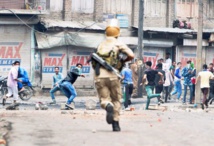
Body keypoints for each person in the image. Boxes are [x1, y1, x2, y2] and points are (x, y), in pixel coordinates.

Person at [92, 19, 134, 132]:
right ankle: (116, 124)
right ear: (118, 32)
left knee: (104, 99)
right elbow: (131, 54)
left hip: (99, 76)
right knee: (116, 100)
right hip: (113, 75)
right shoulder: (118, 43)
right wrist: (123, 61)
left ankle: (107, 105)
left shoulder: (100, 44)